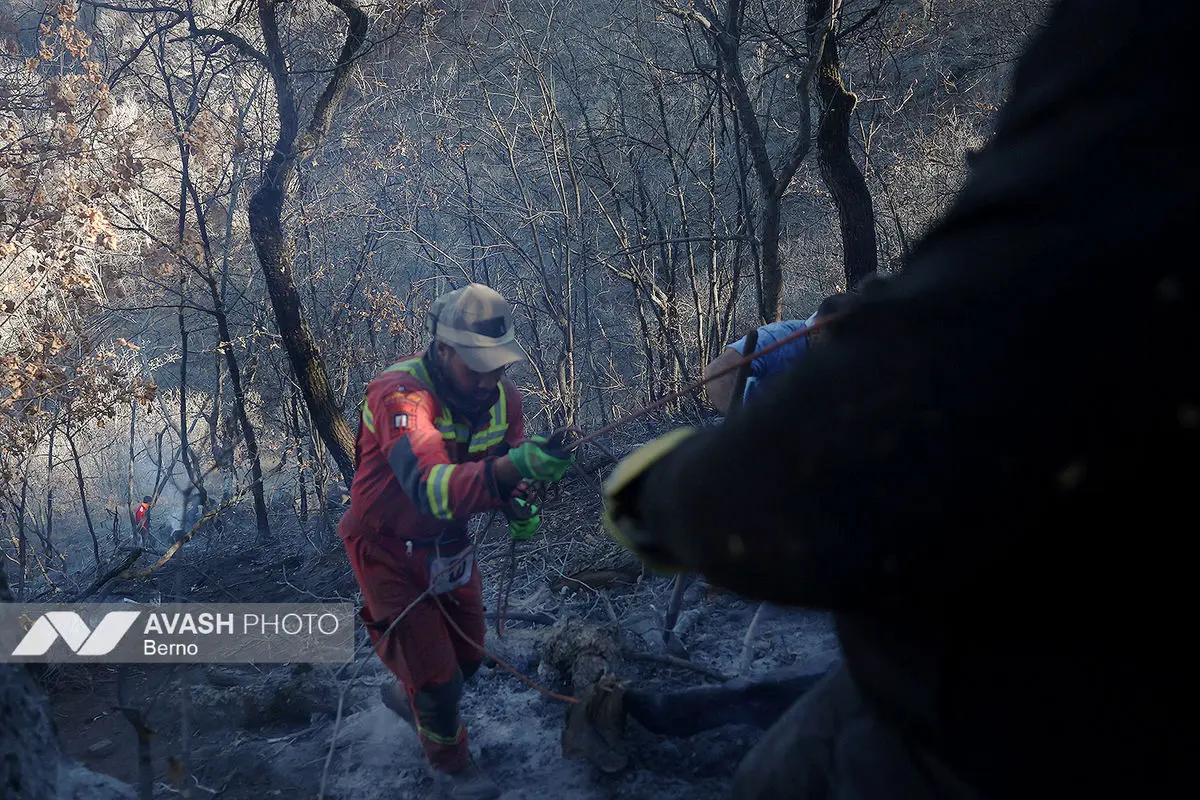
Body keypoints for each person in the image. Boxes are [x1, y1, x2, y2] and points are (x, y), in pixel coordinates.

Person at [601, 1, 1193, 797]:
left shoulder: (1138, 81)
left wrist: (661, 497)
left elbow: (864, 442)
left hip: (1022, 719)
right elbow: (741, 391)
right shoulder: (778, 344)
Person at [338, 284, 574, 800]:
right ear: (443, 350)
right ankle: (451, 764)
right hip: (385, 548)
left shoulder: (503, 399)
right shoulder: (400, 397)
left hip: (449, 545)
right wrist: (512, 469)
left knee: (467, 660)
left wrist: (520, 494)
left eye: (498, 366)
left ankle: (415, 697)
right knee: (441, 680)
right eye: (477, 365)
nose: (490, 378)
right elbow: (429, 488)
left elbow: (508, 461)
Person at [703, 292, 853, 415]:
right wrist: (740, 429)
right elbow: (718, 372)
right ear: (815, 332)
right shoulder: (778, 338)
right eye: (838, 342)